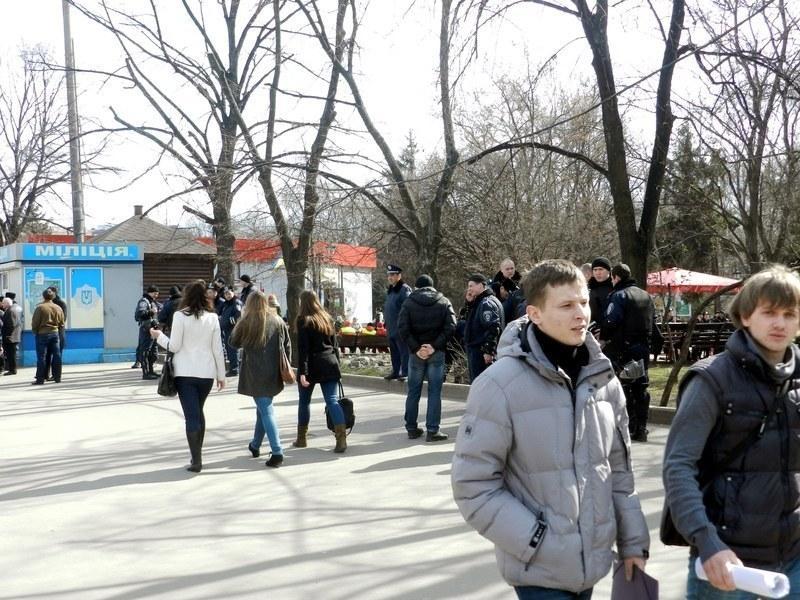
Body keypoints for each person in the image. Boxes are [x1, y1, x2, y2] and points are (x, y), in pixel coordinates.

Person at [451, 259, 649, 598]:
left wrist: (633, 543)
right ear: (535, 314)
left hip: (592, 566)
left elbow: (618, 473)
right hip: (539, 573)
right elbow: (473, 484)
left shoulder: (604, 380)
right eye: (567, 305)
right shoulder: (498, 385)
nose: (581, 314)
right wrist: (536, 540)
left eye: (584, 302)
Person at [662, 265, 800, 597]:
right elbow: (678, 467)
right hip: (727, 564)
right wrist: (706, 541)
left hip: (794, 559)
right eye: (769, 312)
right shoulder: (711, 379)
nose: (780, 323)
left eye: (789, 314)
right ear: (746, 316)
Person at [150, 280, 226, 473]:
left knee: (192, 416)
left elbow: (174, 346)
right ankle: (196, 455)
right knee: (199, 412)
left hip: (184, 373)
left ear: (187, 296)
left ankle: (196, 460)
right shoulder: (212, 318)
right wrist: (221, 375)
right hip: (207, 373)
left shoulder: (180, 316)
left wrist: (158, 336)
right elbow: (218, 349)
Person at [230, 291, 291, 468]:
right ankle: (255, 445)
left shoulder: (247, 321)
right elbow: (287, 346)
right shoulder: (277, 320)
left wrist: (240, 321)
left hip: (255, 373)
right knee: (263, 409)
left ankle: (277, 451)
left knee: (266, 411)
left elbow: (233, 343)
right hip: (273, 372)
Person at [600, 263, 657, 442]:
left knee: (625, 386)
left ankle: (630, 426)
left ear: (615, 277)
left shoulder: (619, 295)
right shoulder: (646, 295)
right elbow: (653, 321)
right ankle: (642, 427)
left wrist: (603, 337)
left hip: (623, 348)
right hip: (643, 348)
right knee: (641, 387)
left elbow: (611, 321)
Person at [397, 274, 456, 442]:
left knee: (413, 391)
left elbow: (402, 327)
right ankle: (432, 430)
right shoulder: (443, 301)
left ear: (416, 287)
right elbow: (451, 326)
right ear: (432, 286)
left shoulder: (408, 303)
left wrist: (416, 348)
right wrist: (434, 346)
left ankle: (411, 428)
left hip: (416, 354)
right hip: (436, 352)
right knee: (435, 391)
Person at [293, 290, 347, 453]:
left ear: (302, 303)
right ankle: (341, 440)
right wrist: (338, 368)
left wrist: (303, 372)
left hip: (311, 365)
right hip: (329, 362)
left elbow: (303, 349)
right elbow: (335, 345)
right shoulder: (327, 318)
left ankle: (301, 439)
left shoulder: (303, 320)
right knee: (332, 400)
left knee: (304, 402)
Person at [462, 273, 504, 382]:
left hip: (480, 352)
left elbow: (493, 328)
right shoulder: (480, 302)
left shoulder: (486, 303)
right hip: (477, 351)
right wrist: (469, 303)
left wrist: (488, 351)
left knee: (479, 384)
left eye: (471, 286)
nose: (469, 289)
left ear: (481, 285)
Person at [31, 288, 65, 385]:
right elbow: (62, 323)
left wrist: (35, 331)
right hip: (55, 334)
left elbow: (35, 322)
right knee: (57, 355)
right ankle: (57, 377)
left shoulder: (40, 307)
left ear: (43, 296)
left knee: (41, 357)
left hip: (42, 334)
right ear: (53, 297)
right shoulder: (58, 308)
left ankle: (40, 379)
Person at [384, 264, 411, 381]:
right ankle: (396, 371)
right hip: (391, 327)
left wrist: (404, 325)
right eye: (389, 275)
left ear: (399, 276)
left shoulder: (404, 289)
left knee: (404, 351)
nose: (390, 277)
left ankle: (405, 373)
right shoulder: (391, 290)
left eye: (392, 275)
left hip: (400, 328)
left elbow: (407, 309)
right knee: (394, 352)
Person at [135, 285, 161, 380]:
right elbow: (139, 314)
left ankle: (151, 371)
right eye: (155, 293)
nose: (156, 296)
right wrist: (150, 312)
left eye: (157, 294)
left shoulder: (152, 302)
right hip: (146, 329)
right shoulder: (144, 301)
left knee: (153, 352)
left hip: (153, 329)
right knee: (145, 351)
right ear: (150, 292)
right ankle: (145, 373)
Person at [219, 287, 242, 377]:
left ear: (233, 293)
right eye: (226, 294)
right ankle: (232, 368)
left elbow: (238, 315)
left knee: (233, 350)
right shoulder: (226, 304)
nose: (227, 295)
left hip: (233, 329)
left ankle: (235, 369)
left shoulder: (236, 302)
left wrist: (229, 322)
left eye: (229, 293)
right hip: (226, 330)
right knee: (229, 349)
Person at [491, 257, 522, 324]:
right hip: (503, 318)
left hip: (519, 316)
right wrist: (501, 297)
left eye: (512, 268)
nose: (510, 271)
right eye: (507, 269)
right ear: (502, 270)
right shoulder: (495, 285)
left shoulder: (522, 281)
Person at [45, 286, 67, 380]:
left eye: (50, 292)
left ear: (54, 293)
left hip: (58, 333)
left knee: (57, 355)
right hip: (47, 333)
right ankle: (45, 374)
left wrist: (50, 324)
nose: (48, 293)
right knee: (47, 354)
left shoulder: (61, 303)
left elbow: (63, 319)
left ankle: (55, 375)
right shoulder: (46, 303)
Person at [587, 256, 613, 329]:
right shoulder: (589, 288)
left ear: (608, 271)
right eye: (595, 270)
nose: (598, 273)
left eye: (601, 269)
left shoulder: (616, 288)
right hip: (594, 328)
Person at [1, 297, 23, 375]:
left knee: (11, 354)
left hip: (11, 337)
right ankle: (12, 369)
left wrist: (8, 335)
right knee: (11, 354)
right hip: (14, 336)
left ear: (7, 303)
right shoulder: (14, 309)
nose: (2, 304)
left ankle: (12, 370)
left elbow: (11, 325)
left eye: (3, 303)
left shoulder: (10, 311)